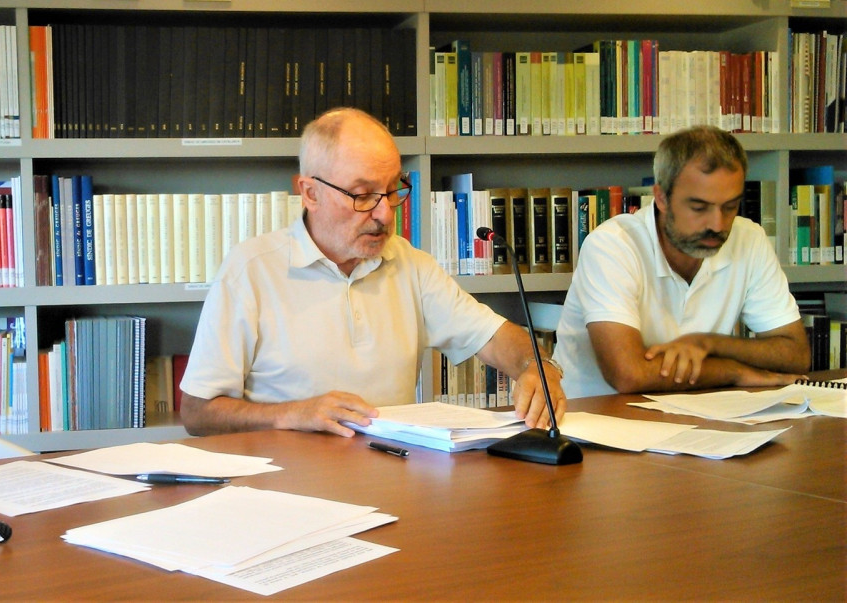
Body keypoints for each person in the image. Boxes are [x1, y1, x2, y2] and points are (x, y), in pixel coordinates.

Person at [179, 107, 566, 437]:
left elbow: (493, 337)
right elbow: (197, 412)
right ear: (310, 193)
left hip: (390, 473)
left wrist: (536, 367)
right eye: (363, 195)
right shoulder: (252, 270)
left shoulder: (411, 265)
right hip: (285, 480)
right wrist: (292, 414)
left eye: (393, 189)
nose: (384, 213)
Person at [554, 125, 810, 397]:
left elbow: (795, 354)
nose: (718, 224)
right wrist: (735, 372)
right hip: (594, 414)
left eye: (730, 206)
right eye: (699, 208)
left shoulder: (749, 239)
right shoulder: (613, 244)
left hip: (695, 412)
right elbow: (628, 375)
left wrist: (708, 344)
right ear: (661, 198)